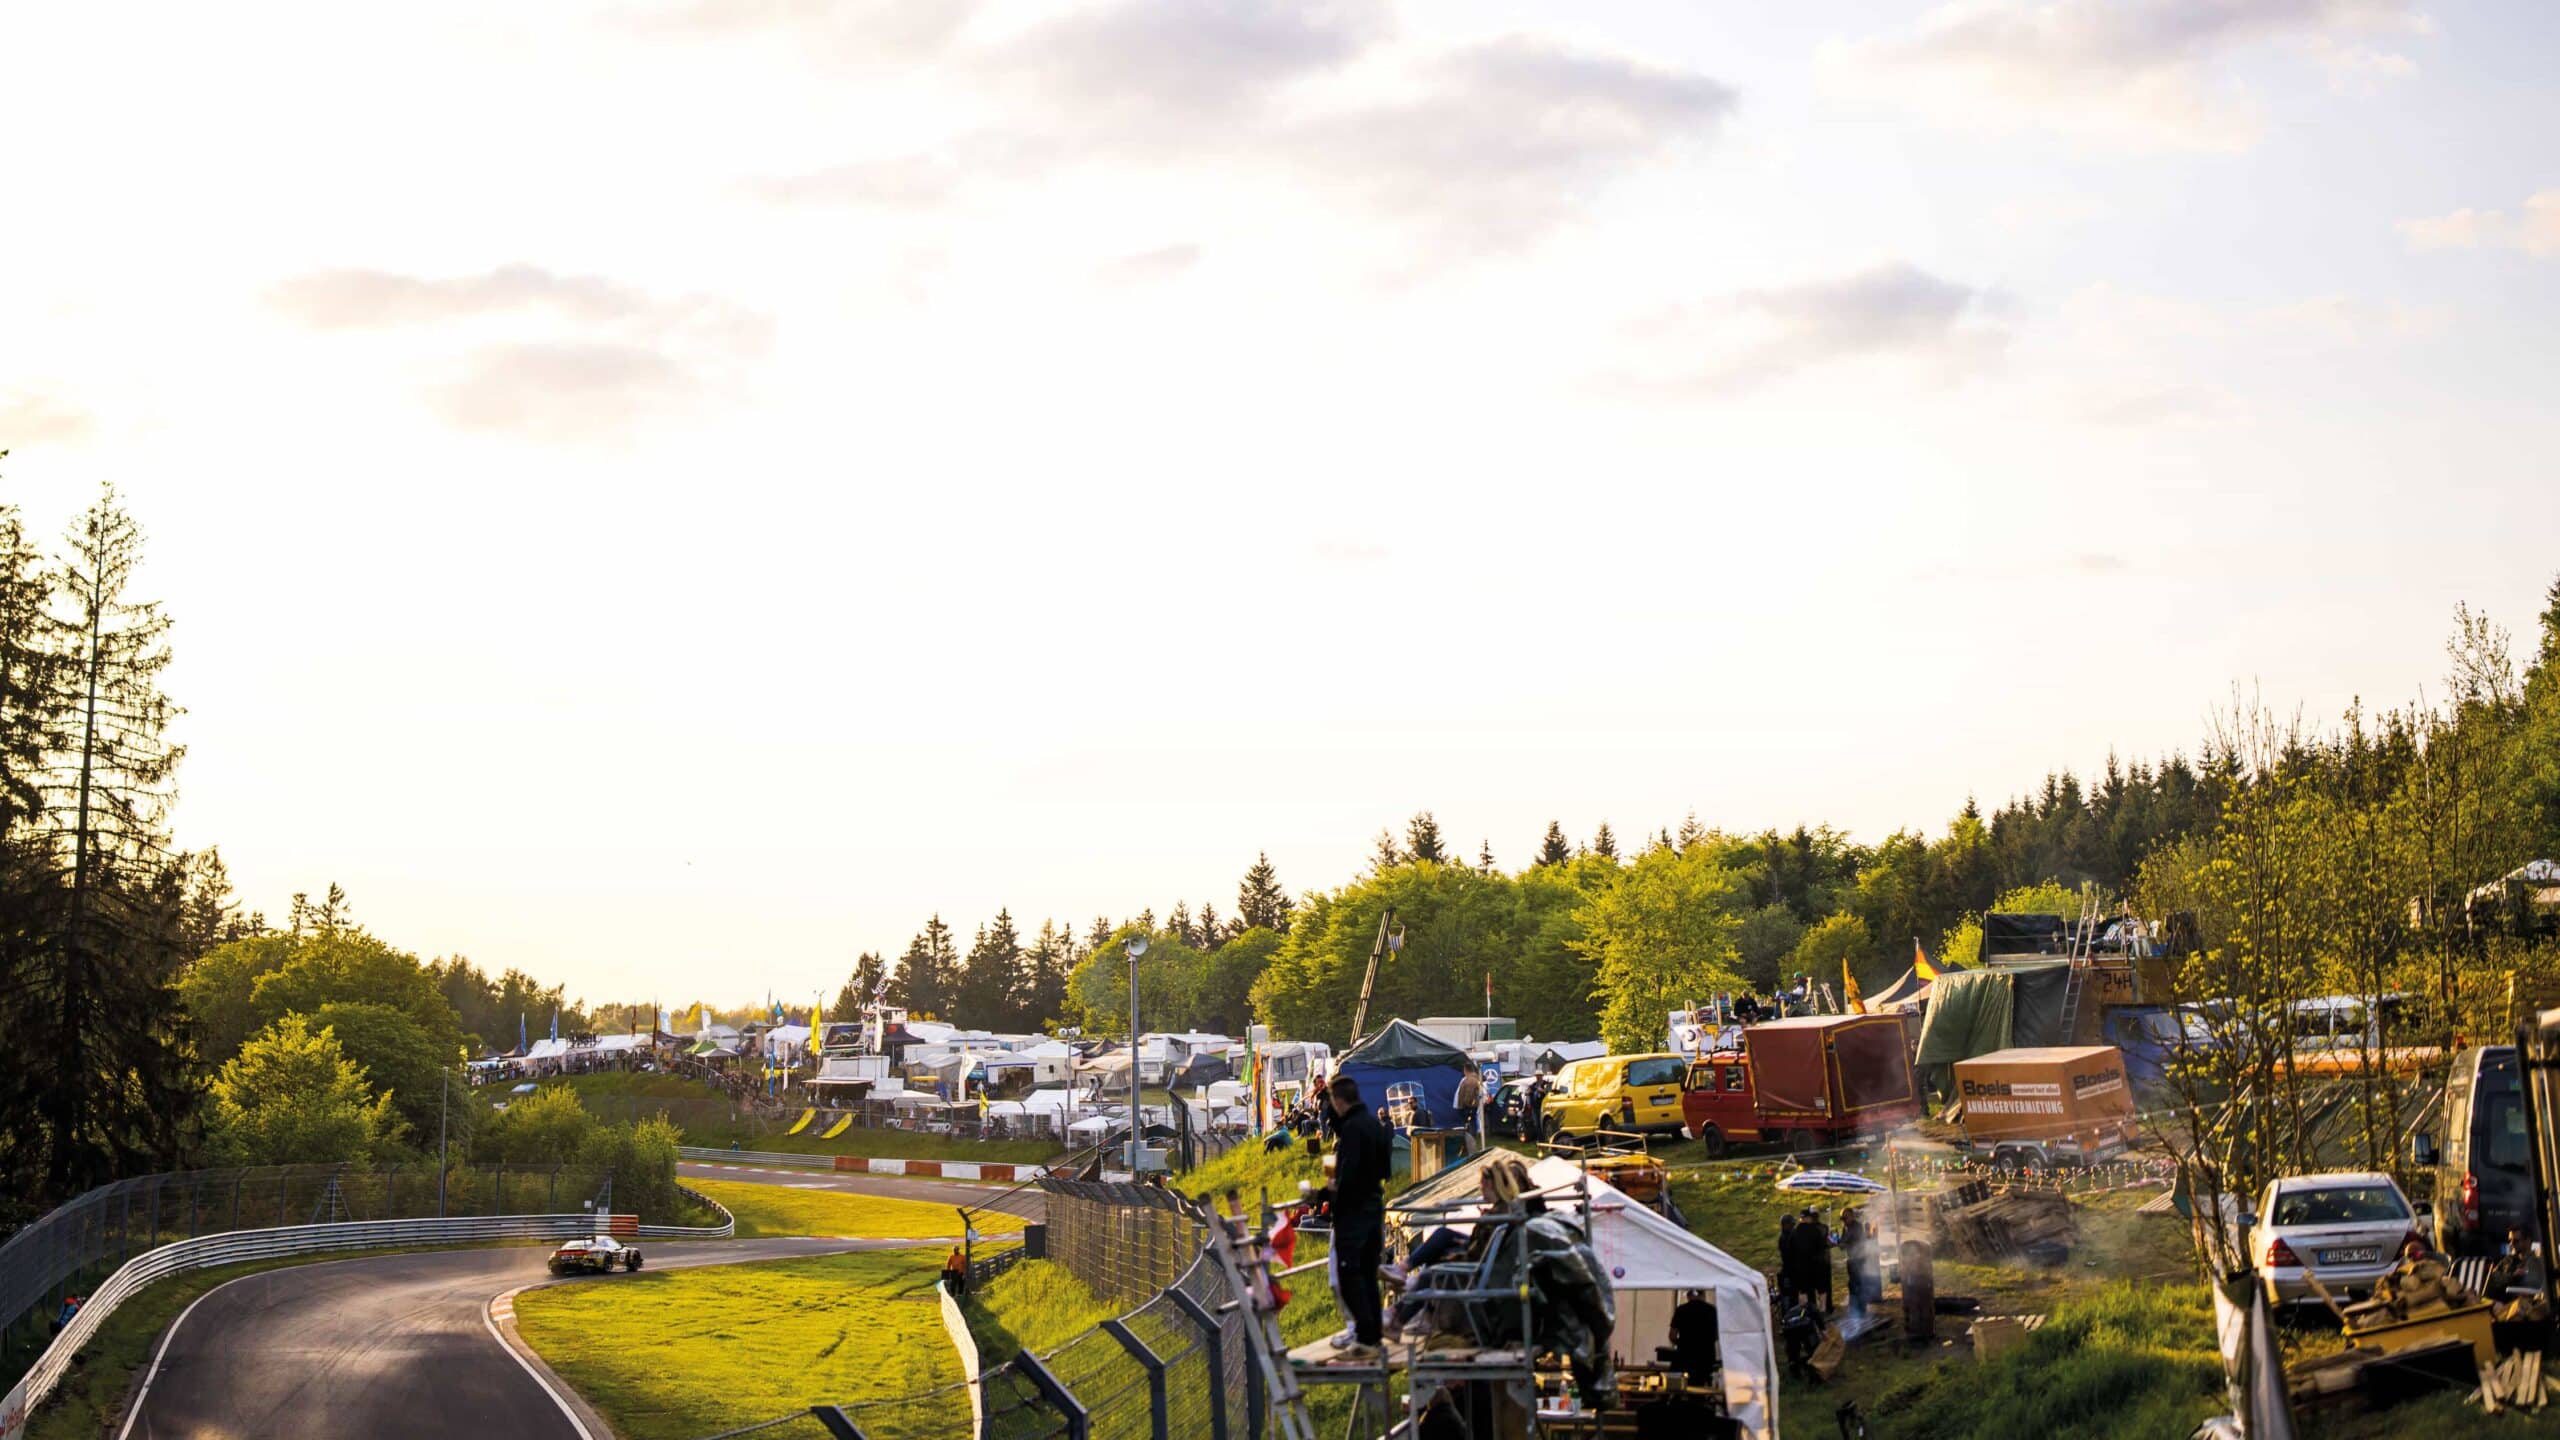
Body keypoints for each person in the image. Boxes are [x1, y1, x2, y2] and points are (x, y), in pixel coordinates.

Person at [1314, 1073, 1392, 1359]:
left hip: (1353, 1213)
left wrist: (1322, 1194)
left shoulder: (1352, 1130)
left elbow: (1346, 1178)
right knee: (1369, 1277)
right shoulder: (1374, 1124)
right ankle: (1374, 1338)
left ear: (1337, 1101)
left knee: (1348, 1277)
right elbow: (1384, 1170)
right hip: (1374, 1207)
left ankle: (1364, 1337)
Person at [1667, 1288, 1719, 1387]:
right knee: (1702, 1387)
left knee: (1679, 1386)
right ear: (1703, 1295)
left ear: (1688, 1295)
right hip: (1705, 1356)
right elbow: (1717, 1335)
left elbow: (1672, 1335)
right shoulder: (1712, 1310)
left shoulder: (1681, 1310)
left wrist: (1681, 1343)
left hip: (1684, 1355)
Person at [1801, 1206, 1834, 1314]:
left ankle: (1822, 1308)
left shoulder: (1811, 1229)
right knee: (1822, 1287)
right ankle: (1824, 1308)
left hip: (1818, 1261)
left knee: (1819, 1288)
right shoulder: (1823, 1227)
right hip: (1821, 1261)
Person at [1453, 1068, 1484, 1150]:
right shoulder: (1472, 1080)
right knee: (1470, 1122)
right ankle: (1469, 1138)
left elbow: (1468, 1094)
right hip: (1470, 1106)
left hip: (1467, 1106)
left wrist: (1466, 1104)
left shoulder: (1469, 1080)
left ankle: (1470, 1139)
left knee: (1469, 1122)